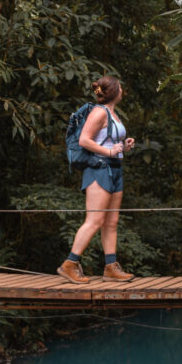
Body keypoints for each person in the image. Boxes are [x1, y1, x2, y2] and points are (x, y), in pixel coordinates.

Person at [57, 75, 135, 284]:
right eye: (120, 88)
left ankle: (111, 267)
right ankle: (69, 264)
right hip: (99, 170)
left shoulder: (112, 113)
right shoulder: (98, 112)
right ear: (115, 91)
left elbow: (108, 141)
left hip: (115, 168)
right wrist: (109, 153)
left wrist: (124, 147)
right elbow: (84, 140)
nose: (122, 91)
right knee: (95, 220)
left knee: (111, 221)